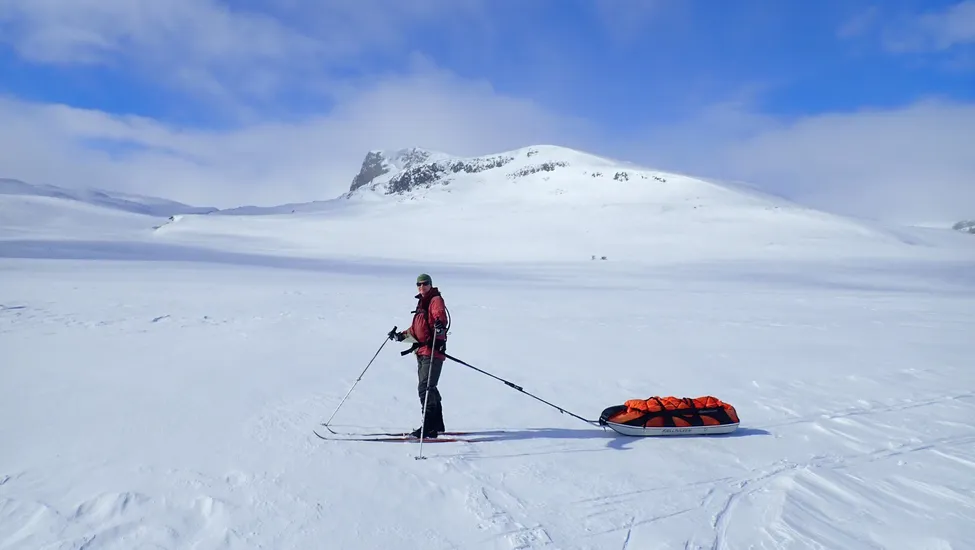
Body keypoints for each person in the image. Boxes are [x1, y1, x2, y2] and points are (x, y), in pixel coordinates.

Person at [388, 273, 449, 438]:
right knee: (429, 387)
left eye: (425, 284)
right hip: (422, 352)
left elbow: (440, 317)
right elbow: (416, 329)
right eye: (419, 284)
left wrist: (440, 326)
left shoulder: (435, 300)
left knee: (426, 388)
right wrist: (400, 336)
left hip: (433, 351)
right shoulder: (422, 301)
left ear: (431, 284)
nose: (422, 287)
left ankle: (428, 427)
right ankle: (437, 424)